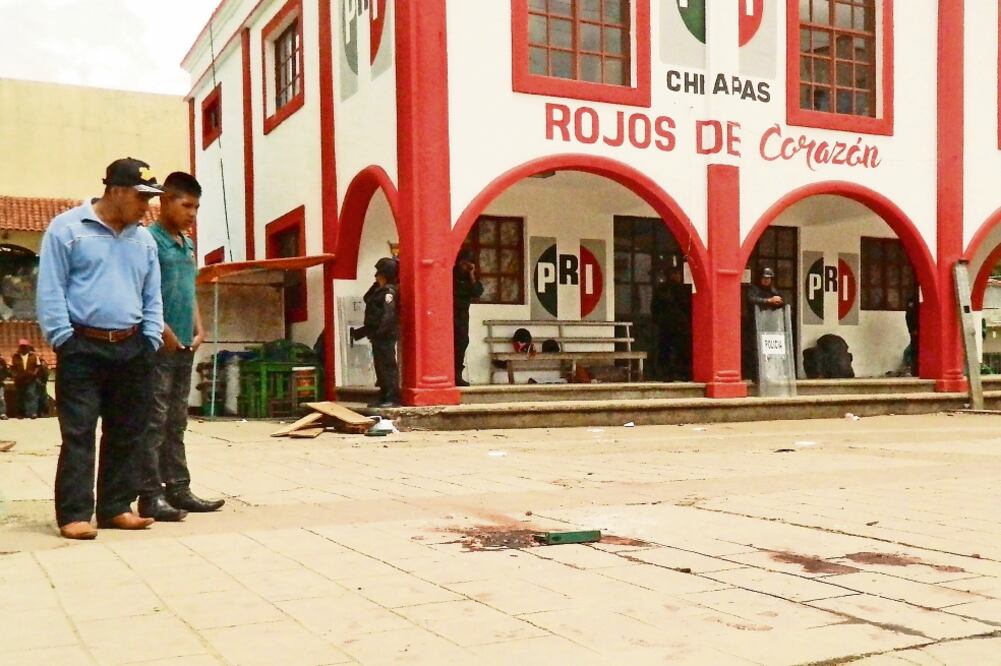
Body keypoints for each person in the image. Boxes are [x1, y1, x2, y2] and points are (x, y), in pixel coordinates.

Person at [36, 157, 165, 540]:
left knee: (127, 432)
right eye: (142, 197)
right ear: (117, 191)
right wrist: (64, 339)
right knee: (79, 432)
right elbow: (51, 288)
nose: (147, 207)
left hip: (133, 347)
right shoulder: (67, 229)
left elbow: (151, 293)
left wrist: (151, 338)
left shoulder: (143, 240)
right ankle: (74, 514)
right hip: (82, 347)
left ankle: (115, 508)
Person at [137, 172, 225, 522]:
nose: (192, 213)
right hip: (158, 347)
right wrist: (162, 329)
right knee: (153, 421)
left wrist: (199, 326)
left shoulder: (186, 244)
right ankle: (150, 494)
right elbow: (142, 291)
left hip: (186, 345)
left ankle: (179, 488)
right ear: (164, 201)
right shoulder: (148, 240)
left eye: (197, 207)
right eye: (186, 205)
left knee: (177, 420)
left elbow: (189, 291)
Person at [351, 257, 400, 407]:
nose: (376, 276)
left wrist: (381, 332)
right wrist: (377, 284)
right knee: (380, 366)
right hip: (377, 334)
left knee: (387, 365)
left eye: (379, 274)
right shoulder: (380, 290)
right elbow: (367, 298)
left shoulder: (389, 292)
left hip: (384, 335)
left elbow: (388, 314)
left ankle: (392, 397)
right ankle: (384, 394)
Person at [742, 267, 784, 380]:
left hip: (770, 325)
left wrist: (778, 302)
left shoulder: (774, 291)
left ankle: (771, 374)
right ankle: (754, 375)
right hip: (755, 325)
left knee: (769, 352)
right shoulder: (754, 289)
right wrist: (768, 301)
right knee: (754, 350)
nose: (766, 280)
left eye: (769, 278)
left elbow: (782, 303)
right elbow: (751, 299)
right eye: (764, 278)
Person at [652, 267, 692, 381]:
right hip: (677, 324)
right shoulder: (680, 290)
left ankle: (668, 373)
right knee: (678, 350)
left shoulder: (662, 289)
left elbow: (655, 308)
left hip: (669, 324)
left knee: (667, 350)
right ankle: (681, 373)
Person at [452, 248, 483, 386]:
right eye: (463, 264)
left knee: (462, 341)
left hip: (462, 314)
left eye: (468, 265)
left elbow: (477, 291)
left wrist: (472, 275)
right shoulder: (451, 275)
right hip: (448, 312)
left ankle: (457, 374)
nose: (464, 267)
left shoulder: (470, 279)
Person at [11, 339, 41, 418]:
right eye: (21, 346)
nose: (23, 348)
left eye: (24, 346)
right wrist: (15, 375)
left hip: (31, 379)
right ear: (19, 347)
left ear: (28, 347)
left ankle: (32, 413)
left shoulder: (34, 356)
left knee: (31, 394)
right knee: (20, 396)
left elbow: (38, 366)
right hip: (19, 380)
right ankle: (21, 413)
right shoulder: (15, 356)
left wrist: (34, 373)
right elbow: (12, 368)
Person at [905, 288, 920, 377]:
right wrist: (912, 329)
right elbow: (909, 316)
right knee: (914, 350)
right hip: (915, 330)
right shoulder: (912, 300)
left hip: (922, 330)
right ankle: (915, 370)